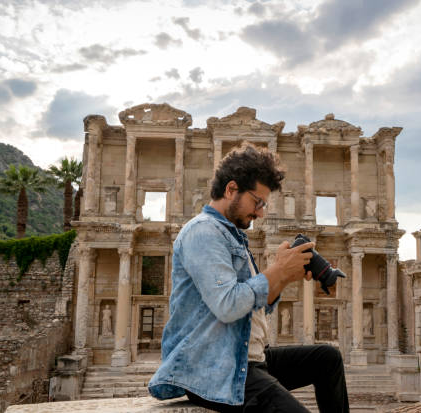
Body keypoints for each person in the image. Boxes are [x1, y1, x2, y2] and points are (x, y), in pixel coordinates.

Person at [148, 143, 349, 412]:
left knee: (328, 359)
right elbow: (228, 305)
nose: (261, 212)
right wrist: (276, 271)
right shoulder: (203, 232)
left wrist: (284, 275)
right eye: (258, 202)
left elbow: (257, 306)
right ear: (231, 189)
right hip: (216, 369)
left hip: (244, 358)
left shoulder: (232, 236)